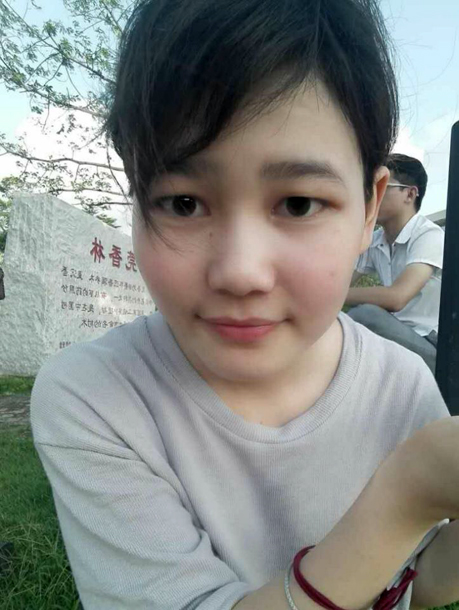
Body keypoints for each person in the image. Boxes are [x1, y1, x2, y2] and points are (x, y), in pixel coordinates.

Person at [29, 1, 459, 610]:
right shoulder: (97, 396)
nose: (240, 272)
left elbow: (422, 583)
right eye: (182, 203)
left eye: (298, 204)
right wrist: (404, 497)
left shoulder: (402, 384)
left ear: (369, 208)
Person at [346, 154, 444, 373]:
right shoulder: (375, 241)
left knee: (364, 316)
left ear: (410, 194)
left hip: (435, 347)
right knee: (335, 322)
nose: (372, 196)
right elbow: (342, 281)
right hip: (397, 333)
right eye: (370, 189)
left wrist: (336, 295)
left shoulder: (428, 234)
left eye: (383, 187)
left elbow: (397, 297)